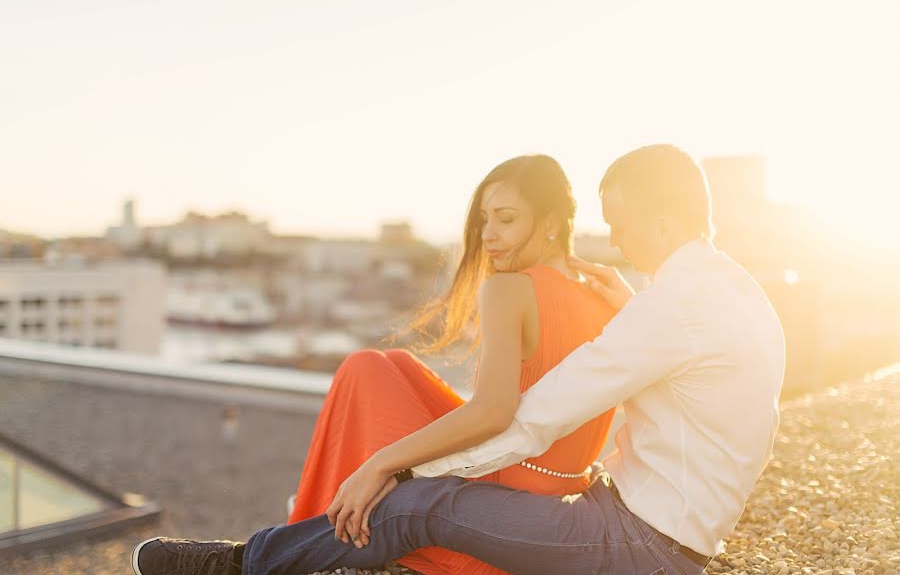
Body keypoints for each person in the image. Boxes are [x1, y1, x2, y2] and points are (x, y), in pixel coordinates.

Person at [132, 144, 786, 575]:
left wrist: (386, 467)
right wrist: (631, 302)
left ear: (666, 226)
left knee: (415, 506)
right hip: (661, 531)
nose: (612, 238)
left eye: (621, 223)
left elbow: (529, 421)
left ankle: (240, 565)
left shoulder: (668, 309)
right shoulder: (732, 291)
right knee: (418, 485)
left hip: (639, 549)